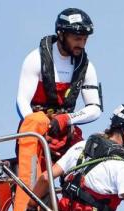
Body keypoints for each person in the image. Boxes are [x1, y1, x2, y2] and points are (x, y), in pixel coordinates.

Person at [16, 8, 101, 154]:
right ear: (61, 34)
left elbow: (95, 108)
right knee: (35, 170)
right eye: (77, 39)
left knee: (86, 158)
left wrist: (66, 118)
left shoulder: (87, 67)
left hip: (66, 130)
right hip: (37, 132)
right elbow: (22, 101)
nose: (82, 44)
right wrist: (42, 130)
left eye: (85, 39)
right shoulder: (35, 59)